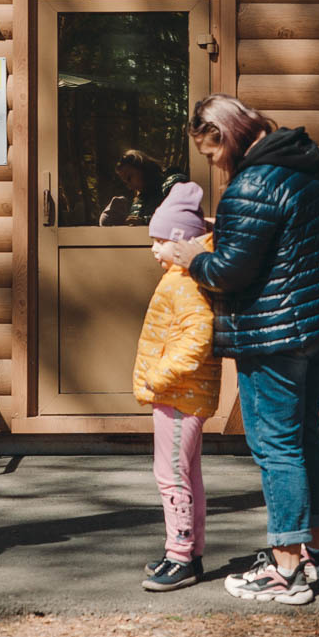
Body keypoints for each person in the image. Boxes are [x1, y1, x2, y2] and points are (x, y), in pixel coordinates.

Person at [155, 94, 319, 605]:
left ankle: (285, 568)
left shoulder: (251, 182)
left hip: (276, 332)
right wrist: (222, 235)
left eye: (209, 153)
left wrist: (192, 255)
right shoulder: (303, 164)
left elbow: (230, 272)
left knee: (277, 446)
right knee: (305, 436)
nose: (213, 164)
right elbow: (276, 242)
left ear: (222, 136)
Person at [132, 181, 221, 591]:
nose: (155, 249)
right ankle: (190, 551)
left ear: (183, 241)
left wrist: (160, 376)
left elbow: (197, 337)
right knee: (186, 474)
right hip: (180, 395)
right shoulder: (181, 277)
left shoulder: (186, 282)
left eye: (162, 240)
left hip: (179, 396)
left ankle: (179, 556)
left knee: (170, 476)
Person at [100, 148, 183, 226]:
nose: (130, 187)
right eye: (126, 182)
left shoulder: (174, 184)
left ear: (142, 167)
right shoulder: (138, 202)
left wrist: (144, 221)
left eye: (129, 178)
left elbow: (181, 217)